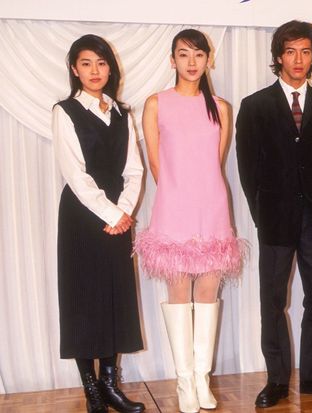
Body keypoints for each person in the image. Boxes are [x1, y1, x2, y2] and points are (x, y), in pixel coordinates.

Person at [236, 20, 312, 409]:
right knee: (272, 301)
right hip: (274, 220)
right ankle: (277, 379)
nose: (298, 60)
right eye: (290, 52)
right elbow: (247, 169)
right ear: (278, 57)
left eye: (305, 52)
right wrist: (261, 213)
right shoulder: (255, 106)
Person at [134, 29, 245, 412]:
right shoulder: (156, 104)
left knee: (209, 292)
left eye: (199, 54)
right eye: (184, 54)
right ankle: (184, 381)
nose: (192, 61)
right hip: (174, 206)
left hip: (211, 206)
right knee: (179, 292)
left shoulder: (221, 108)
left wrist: (200, 194)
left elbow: (215, 161)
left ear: (208, 59)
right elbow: (155, 162)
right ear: (172, 60)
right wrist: (177, 196)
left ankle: (201, 378)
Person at [53, 34, 145, 413]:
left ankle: (110, 385)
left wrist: (123, 211)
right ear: (75, 69)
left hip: (118, 216)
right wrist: (111, 214)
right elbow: (75, 174)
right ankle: (91, 390)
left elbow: (134, 170)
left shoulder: (123, 113)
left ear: (111, 68)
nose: (95, 70)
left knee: (114, 298)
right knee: (83, 299)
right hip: (82, 215)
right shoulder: (65, 111)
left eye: (101, 63)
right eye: (86, 63)